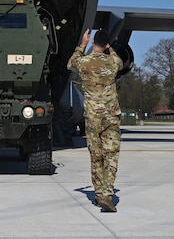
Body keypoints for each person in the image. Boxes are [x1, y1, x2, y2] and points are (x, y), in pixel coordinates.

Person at [68, 28, 123, 212]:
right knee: (111, 155)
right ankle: (107, 194)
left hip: (92, 117)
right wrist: (111, 48)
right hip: (111, 116)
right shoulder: (113, 62)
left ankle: (99, 194)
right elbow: (119, 62)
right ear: (107, 45)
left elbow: (71, 63)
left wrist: (83, 44)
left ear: (93, 42)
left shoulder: (83, 62)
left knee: (96, 156)